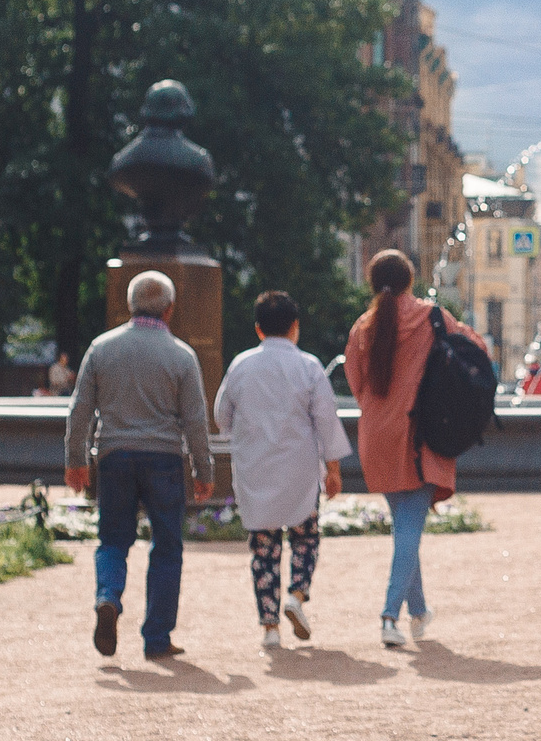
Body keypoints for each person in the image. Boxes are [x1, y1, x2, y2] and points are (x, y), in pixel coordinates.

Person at [345, 250, 491, 649]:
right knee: (408, 531)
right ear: (410, 280)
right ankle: (389, 616)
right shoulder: (432, 317)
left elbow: (355, 384)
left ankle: (419, 612)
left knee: (405, 530)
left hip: (377, 437)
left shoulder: (364, 326)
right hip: (419, 434)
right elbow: (477, 348)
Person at [65, 271, 214, 661]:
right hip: (164, 459)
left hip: (114, 456)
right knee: (167, 547)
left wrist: (75, 460)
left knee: (113, 540)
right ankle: (157, 638)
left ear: (130, 305)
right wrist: (204, 470)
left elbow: (79, 410)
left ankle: (108, 597)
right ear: (170, 308)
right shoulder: (182, 355)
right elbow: (195, 421)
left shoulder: (101, 348)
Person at [216, 289, 352, 651]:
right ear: (295, 327)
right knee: (306, 538)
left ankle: (270, 627)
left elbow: (221, 417)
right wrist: (333, 469)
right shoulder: (308, 366)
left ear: (258, 329)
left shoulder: (241, 365)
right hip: (301, 472)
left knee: (263, 549)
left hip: (256, 469)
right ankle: (296, 594)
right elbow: (326, 421)